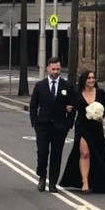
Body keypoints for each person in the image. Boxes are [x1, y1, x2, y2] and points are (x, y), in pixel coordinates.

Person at [59, 70, 105, 193]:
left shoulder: (100, 93)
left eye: (93, 78)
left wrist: (99, 115)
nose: (92, 80)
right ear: (84, 80)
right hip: (82, 126)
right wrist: (67, 109)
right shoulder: (77, 93)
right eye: (89, 78)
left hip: (96, 127)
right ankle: (85, 182)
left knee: (98, 153)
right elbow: (71, 106)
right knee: (84, 153)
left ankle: (98, 181)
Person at [29, 57, 75, 192]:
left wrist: (68, 124)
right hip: (43, 126)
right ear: (48, 68)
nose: (55, 72)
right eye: (53, 69)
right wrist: (35, 122)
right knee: (42, 152)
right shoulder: (40, 86)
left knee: (56, 155)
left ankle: (53, 182)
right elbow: (33, 106)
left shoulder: (67, 86)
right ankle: (42, 177)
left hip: (60, 127)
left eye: (58, 69)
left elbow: (73, 106)